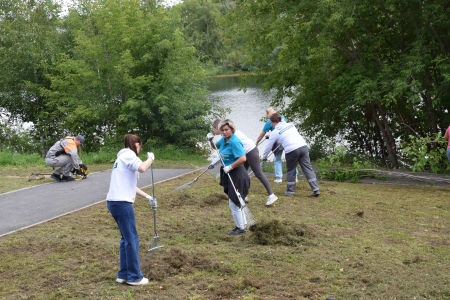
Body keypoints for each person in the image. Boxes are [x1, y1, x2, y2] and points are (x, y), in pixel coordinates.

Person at [106, 134, 157, 286]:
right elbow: (142, 168)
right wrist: (151, 159)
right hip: (122, 204)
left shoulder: (121, 158)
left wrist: (148, 196)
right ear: (137, 145)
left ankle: (123, 274)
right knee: (132, 239)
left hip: (114, 202)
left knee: (126, 239)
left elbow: (130, 186)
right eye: (140, 146)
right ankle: (135, 277)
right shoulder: (129, 155)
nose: (140, 150)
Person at [208, 119, 278, 206]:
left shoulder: (231, 136)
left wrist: (215, 164)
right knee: (242, 175)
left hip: (250, 151)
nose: (214, 131)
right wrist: (211, 140)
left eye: (214, 129)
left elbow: (222, 154)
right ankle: (243, 195)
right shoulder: (225, 136)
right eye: (223, 130)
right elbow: (220, 149)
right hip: (242, 154)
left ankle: (271, 195)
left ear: (217, 127)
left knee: (258, 173)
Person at [261, 113, 320, 197]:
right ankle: (316, 189)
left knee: (291, 170)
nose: (271, 125)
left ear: (273, 122)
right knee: (308, 168)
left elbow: (268, 147)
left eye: (271, 123)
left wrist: (264, 157)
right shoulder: (291, 125)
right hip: (303, 147)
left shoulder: (275, 132)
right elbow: (288, 135)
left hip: (292, 150)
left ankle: (290, 192)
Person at [214, 119, 251, 235]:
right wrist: (210, 140)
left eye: (227, 130)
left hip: (238, 174)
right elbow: (216, 146)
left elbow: (243, 158)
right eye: (222, 130)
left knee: (234, 202)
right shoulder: (224, 140)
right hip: (229, 173)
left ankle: (240, 228)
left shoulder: (235, 142)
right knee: (236, 201)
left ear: (232, 129)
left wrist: (230, 167)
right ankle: (243, 225)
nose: (224, 132)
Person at [256, 107, 296, 184]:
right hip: (286, 139)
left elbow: (262, 134)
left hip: (277, 140)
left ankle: (279, 178)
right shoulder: (282, 117)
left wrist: (256, 142)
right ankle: (295, 176)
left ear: (268, 114)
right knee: (290, 159)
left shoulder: (269, 121)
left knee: (277, 159)